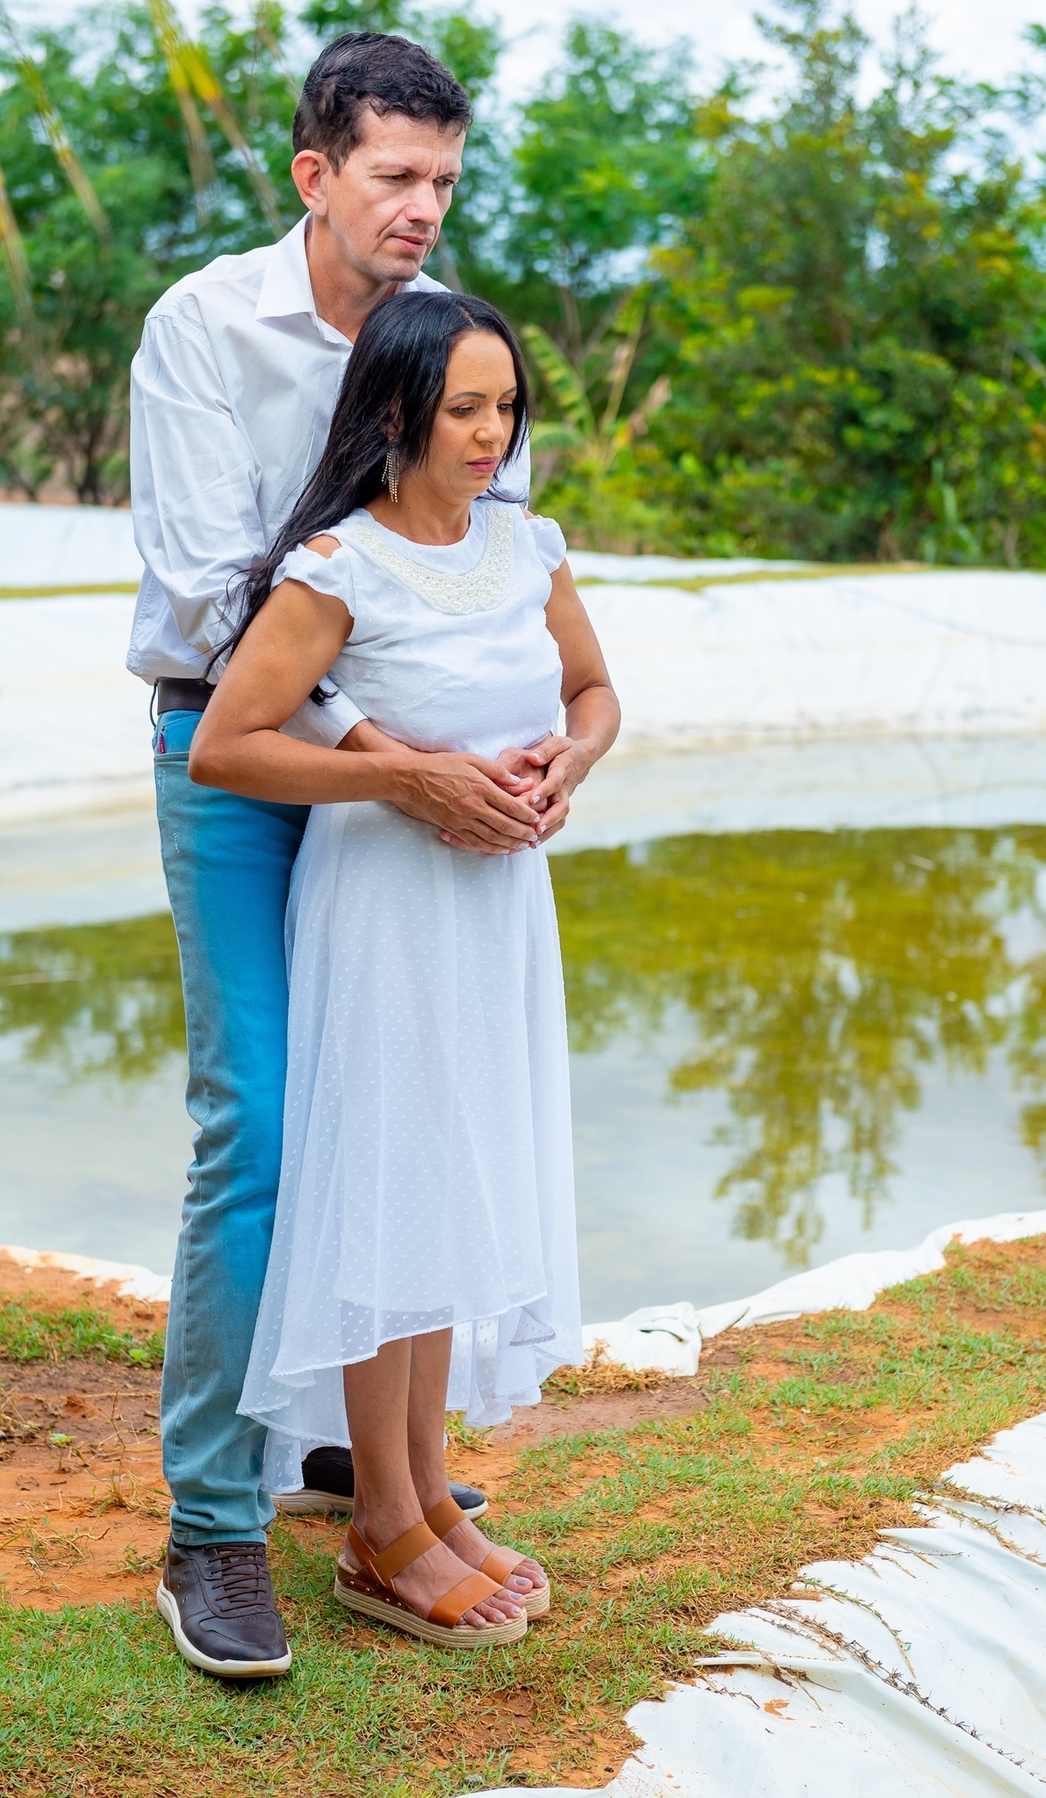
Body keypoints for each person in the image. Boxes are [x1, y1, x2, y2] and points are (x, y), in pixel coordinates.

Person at [129, 33, 571, 1676]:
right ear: (315, 175)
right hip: (239, 757)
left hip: (417, 771)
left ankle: (365, 1461)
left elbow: (485, 549)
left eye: (447, 180)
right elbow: (199, 589)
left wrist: (523, 742)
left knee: (411, 1102)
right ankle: (214, 1525)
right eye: (396, 176)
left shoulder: (438, 341)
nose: (423, 208)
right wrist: (386, 748)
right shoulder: (203, 329)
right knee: (260, 1119)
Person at [188, 290, 619, 1649]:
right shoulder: (337, 568)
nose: (493, 434)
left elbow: (595, 693)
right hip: (382, 906)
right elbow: (229, 747)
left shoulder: (528, 547)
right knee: (387, 1188)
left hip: (499, 910)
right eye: (466, 410)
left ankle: (429, 1493)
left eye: (508, 407)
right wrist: (407, 773)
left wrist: (572, 760)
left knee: (451, 1182)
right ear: (395, 412)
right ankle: (378, 1525)